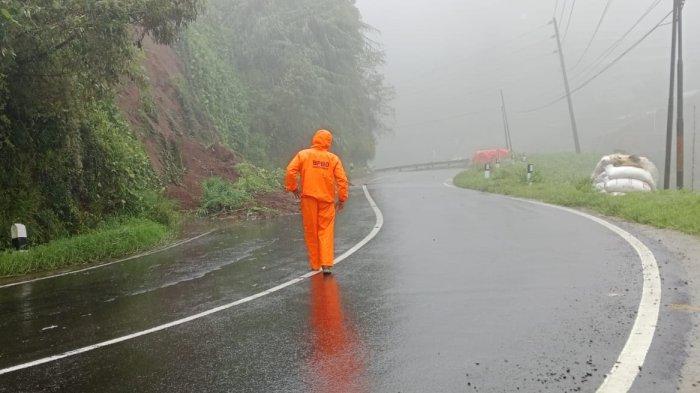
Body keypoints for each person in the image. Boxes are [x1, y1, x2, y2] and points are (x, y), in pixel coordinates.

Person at [285, 129, 349, 274]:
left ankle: (315, 264)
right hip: (326, 201)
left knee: (311, 231)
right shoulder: (333, 159)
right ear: (329, 142)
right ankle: (326, 264)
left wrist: (293, 187)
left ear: (314, 139)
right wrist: (342, 198)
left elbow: (290, 170)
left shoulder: (304, 154)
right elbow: (342, 180)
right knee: (326, 231)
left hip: (308, 199)